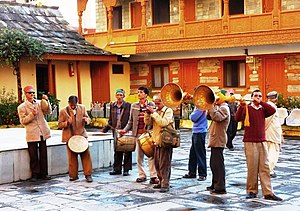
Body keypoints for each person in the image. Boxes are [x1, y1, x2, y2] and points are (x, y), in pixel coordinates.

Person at [235, 90, 282, 201]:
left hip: (262, 141)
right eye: (255, 96)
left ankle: (268, 192)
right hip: (250, 141)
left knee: (265, 167)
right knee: (252, 167)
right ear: (251, 97)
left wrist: (261, 102)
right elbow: (237, 118)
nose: (258, 98)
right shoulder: (248, 108)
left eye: (260, 96)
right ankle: (252, 191)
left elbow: (272, 110)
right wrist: (242, 106)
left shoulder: (263, 109)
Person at [119, 86, 158, 184]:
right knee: (139, 156)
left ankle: (153, 176)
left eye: (141, 92)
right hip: (137, 134)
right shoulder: (134, 105)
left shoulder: (152, 104)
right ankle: (142, 175)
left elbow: (154, 119)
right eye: (138, 92)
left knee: (150, 155)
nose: (139, 94)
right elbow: (130, 121)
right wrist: (125, 130)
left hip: (148, 134)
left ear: (146, 94)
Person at [17, 85, 52, 181]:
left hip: (42, 131)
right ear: (25, 94)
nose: (32, 94)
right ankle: (35, 174)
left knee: (43, 154)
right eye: (29, 93)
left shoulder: (40, 103)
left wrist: (47, 101)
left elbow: (48, 112)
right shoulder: (22, 107)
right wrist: (32, 114)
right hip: (32, 133)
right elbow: (23, 121)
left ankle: (44, 174)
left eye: (33, 92)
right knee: (33, 155)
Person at [58, 96, 93, 183]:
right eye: (71, 105)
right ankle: (73, 175)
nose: (73, 106)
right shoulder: (63, 111)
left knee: (86, 155)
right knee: (72, 157)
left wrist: (86, 120)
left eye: (75, 105)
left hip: (81, 135)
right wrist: (67, 123)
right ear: (68, 102)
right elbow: (59, 124)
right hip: (70, 137)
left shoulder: (82, 108)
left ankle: (88, 175)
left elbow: (88, 119)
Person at [144, 94, 174, 192]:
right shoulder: (156, 111)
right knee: (157, 163)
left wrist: (154, 113)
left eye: (159, 102)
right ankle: (161, 181)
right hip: (156, 140)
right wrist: (147, 114)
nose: (157, 105)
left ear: (164, 101)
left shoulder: (168, 111)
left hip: (166, 141)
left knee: (164, 164)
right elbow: (148, 123)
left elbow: (163, 122)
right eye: (155, 103)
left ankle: (166, 183)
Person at [102, 89, 132, 176]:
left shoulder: (128, 106)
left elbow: (131, 119)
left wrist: (128, 129)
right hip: (116, 131)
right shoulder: (113, 106)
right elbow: (110, 120)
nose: (119, 97)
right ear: (115, 96)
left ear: (123, 96)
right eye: (118, 95)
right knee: (117, 150)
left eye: (121, 95)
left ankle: (126, 169)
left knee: (127, 150)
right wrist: (106, 128)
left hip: (126, 130)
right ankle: (117, 169)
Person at [206, 92, 230, 194]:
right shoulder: (219, 107)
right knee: (213, 164)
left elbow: (217, 117)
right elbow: (209, 117)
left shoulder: (224, 108)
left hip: (219, 139)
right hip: (215, 138)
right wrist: (209, 106)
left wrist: (211, 105)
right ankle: (214, 183)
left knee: (218, 164)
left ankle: (220, 187)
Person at [182, 107, 208, 181]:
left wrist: (193, 113)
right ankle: (192, 172)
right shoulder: (199, 107)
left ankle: (202, 174)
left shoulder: (201, 107)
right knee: (193, 153)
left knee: (200, 153)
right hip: (197, 131)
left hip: (200, 131)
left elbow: (193, 118)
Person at [265, 91, 283, 178]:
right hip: (271, 133)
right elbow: (267, 121)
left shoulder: (269, 106)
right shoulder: (270, 107)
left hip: (272, 133)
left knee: (269, 151)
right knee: (273, 152)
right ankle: (269, 170)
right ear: (275, 99)